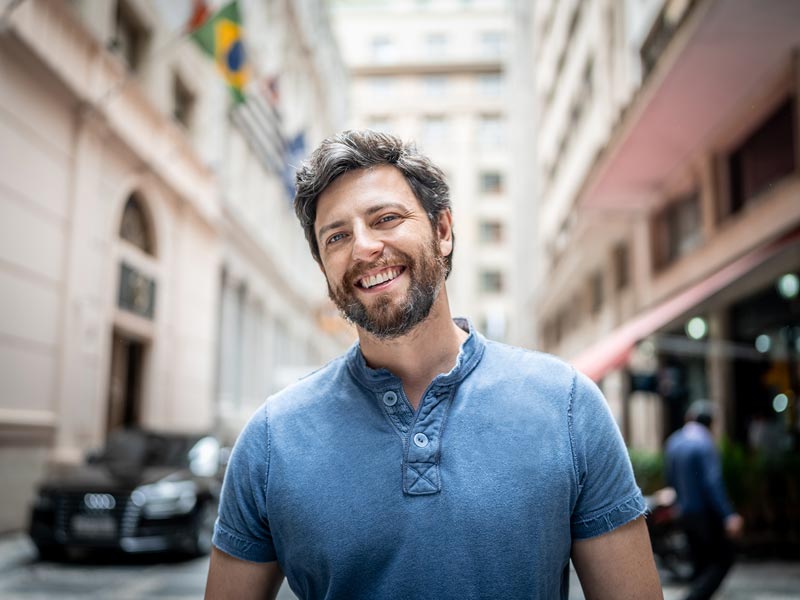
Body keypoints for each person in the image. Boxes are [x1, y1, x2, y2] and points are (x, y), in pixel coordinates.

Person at [205, 130, 662, 599]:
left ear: (442, 231)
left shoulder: (568, 405)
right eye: (336, 236)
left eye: (385, 218)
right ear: (325, 270)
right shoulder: (270, 439)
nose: (363, 247)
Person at [665, 400, 744, 600]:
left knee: (699, 564)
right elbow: (712, 483)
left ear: (689, 418)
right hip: (705, 515)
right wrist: (728, 515)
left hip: (684, 512)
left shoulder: (674, 441)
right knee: (723, 559)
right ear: (711, 423)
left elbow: (671, 478)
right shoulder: (705, 443)